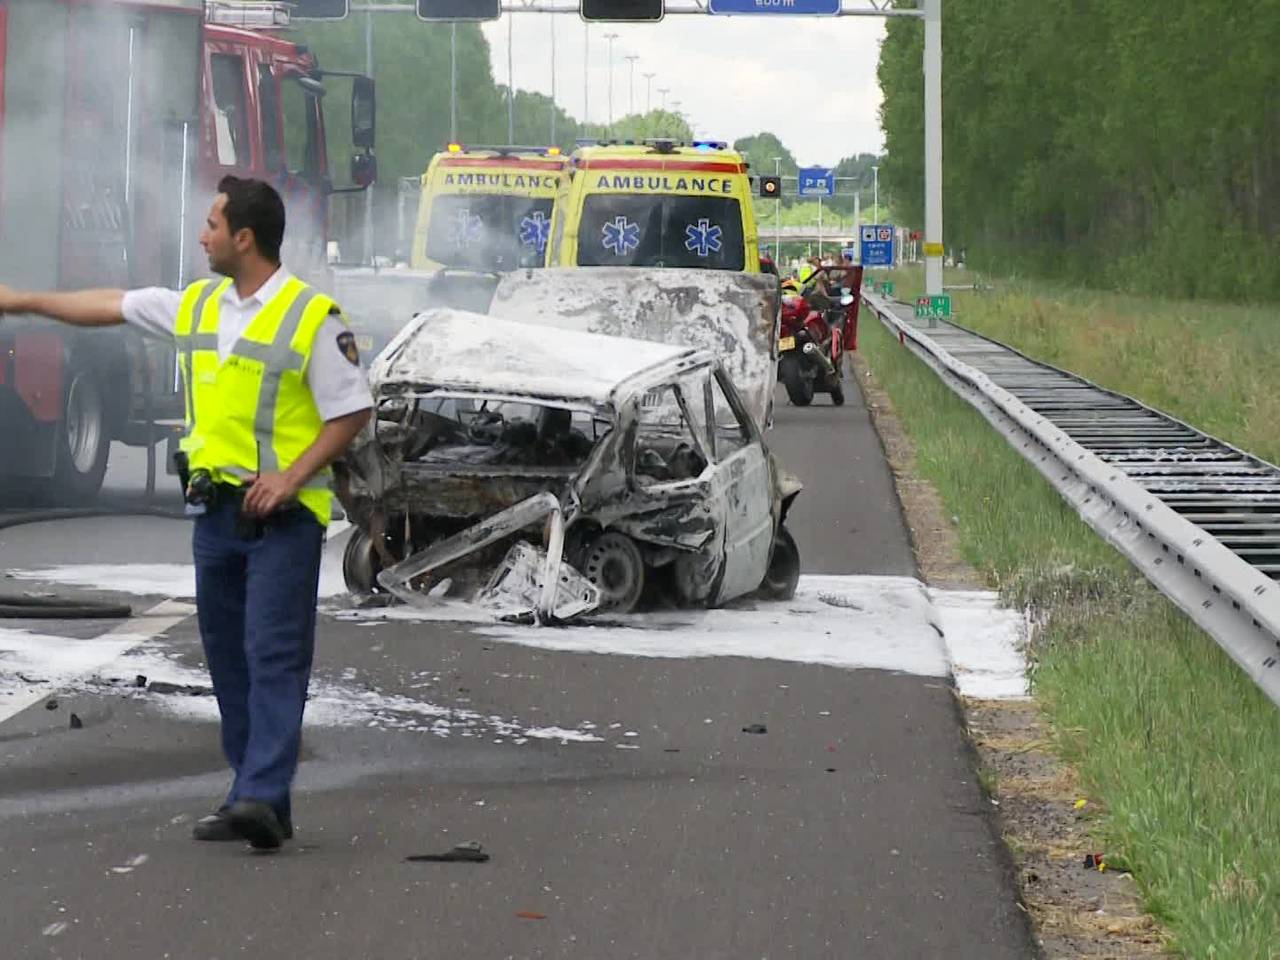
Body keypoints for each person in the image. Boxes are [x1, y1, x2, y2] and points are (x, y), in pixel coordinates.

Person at [0, 176, 372, 851]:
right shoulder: (197, 305)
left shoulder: (311, 317)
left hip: (283, 519)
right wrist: (21, 300)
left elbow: (351, 411)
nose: (202, 236)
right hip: (216, 514)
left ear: (244, 238)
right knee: (228, 659)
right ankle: (255, 792)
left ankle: (261, 794)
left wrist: (289, 478)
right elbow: (108, 305)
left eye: (212, 225)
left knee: (273, 654)